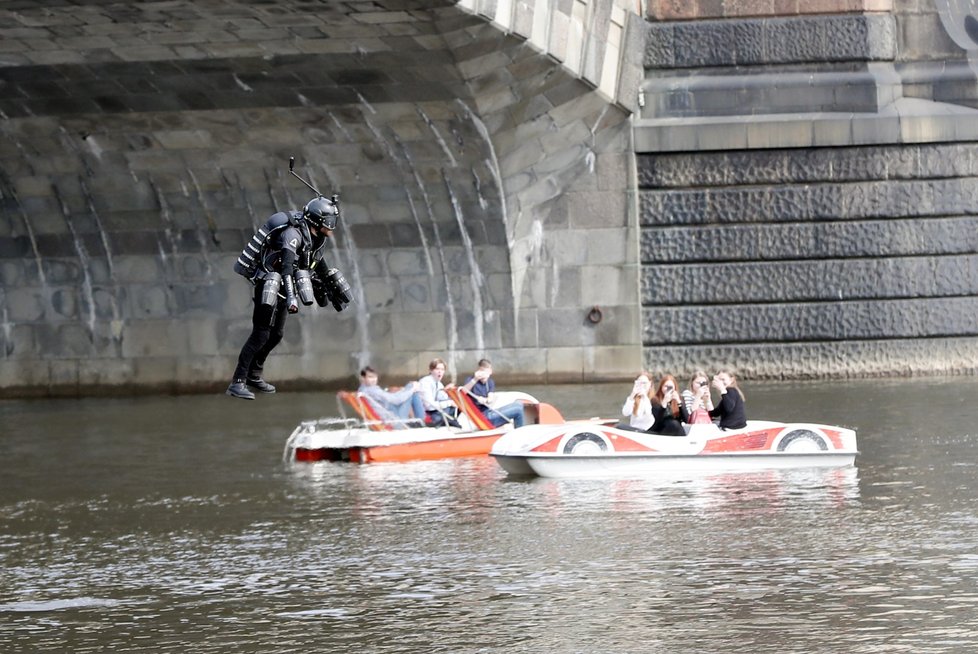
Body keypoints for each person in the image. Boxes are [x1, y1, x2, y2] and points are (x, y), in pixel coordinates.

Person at [226, 196, 352, 400]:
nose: (332, 226)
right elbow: (285, 266)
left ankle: (254, 375)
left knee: (276, 335)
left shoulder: (317, 239)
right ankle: (238, 382)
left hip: (286, 287)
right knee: (260, 334)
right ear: (317, 221)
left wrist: (330, 288)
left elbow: (317, 263)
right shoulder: (292, 234)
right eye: (329, 221)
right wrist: (293, 298)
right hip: (269, 284)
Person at [461, 359, 525, 428]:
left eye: (485, 372)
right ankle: (520, 433)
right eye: (481, 372)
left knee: (519, 403)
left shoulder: (490, 382)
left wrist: (485, 400)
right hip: (482, 417)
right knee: (518, 409)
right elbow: (463, 391)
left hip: (489, 414)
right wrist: (475, 379)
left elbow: (490, 398)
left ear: (490, 372)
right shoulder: (471, 380)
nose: (483, 376)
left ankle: (518, 431)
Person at [357, 366, 426, 427]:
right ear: (363, 378)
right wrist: (411, 389)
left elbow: (390, 398)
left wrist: (404, 390)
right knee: (412, 389)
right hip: (393, 422)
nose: (374, 380)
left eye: (375, 377)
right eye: (370, 377)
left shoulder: (362, 389)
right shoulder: (372, 390)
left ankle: (419, 421)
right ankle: (421, 422)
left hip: (386, 416)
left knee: (410, 388)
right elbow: (396, 400)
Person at [418, 357, 460, 427]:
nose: (440, 371)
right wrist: (449, 403)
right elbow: (429, 406)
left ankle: (449, 421)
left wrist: (447, 391)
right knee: (449, 404)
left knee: (458, 404)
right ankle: (446, 422)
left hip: (435, 410)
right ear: (431, 370)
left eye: (442, 369)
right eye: (437, 369)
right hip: (427, 412)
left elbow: (443, 398)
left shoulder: (439, 383)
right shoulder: (425, 382)